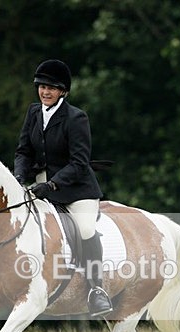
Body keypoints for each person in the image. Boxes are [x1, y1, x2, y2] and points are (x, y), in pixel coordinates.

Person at [14, 59, 113, 317]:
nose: (45, 92)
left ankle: (96, 289)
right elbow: (23, 150)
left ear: (63, 92)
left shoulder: (76, 117)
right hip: (40, 186)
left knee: (85, 228)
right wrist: (19, 176)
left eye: (52, 88)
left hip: (75, 189)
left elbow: (79, 163)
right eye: (42, 86)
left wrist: (53, 184)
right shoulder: (33, 112)